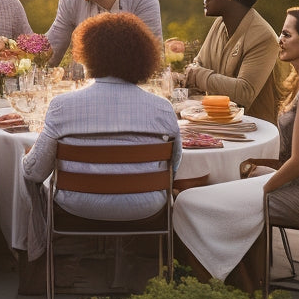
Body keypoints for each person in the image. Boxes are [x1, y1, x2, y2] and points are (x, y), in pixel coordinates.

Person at [173, 6, 299, 291]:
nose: (279, 38)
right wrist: (265, 171)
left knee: (189, 203)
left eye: (287, 34)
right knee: (211, 192)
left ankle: (216, 284)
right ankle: (236, 278)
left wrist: (264, 187)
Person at [24, 12, 181, 222]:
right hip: (146, 206)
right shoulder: (162, 108)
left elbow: (34, 172)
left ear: (88, 55)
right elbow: (174, 167)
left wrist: (27, 156)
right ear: (143, 57)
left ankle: (33, 251)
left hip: (77, 206)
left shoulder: (62, 106)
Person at [173, 0, 280, 122]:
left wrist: (197, 75)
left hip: (252, 132)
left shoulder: (263, 37)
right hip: (215, 124)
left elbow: (244, 93)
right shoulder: (220, 24)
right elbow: (198, 66)